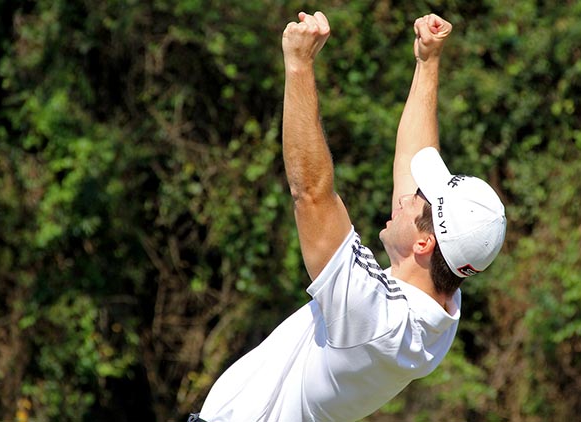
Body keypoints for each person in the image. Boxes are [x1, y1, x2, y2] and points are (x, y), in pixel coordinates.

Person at [192, 11, 506, 422]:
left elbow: (311, 194)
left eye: (418, 199)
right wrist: (427, 63)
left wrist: (299, 65)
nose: (406, 198)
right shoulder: (440, 306)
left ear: (425, 243)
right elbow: (414, 159)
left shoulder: (377, 320)